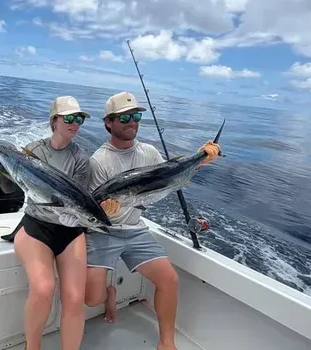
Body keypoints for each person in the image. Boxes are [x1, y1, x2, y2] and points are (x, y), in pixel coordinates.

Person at [84, 92, 221, 350]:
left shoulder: (149, 152)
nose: (132, 122)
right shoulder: (98, 161)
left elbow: (173, 175)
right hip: (104, 230)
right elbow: (93, 209)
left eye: (136, 116)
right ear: (108, 123)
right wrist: (106, 212)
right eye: (124, 117)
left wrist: (202, 157)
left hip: (135, 230)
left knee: (169, 279)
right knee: (92, 299)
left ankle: (166, 342)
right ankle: (109, 293)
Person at [0, 96, 92, 350]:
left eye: (80, 119)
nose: (76, 123)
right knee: (43, 288)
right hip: (36, 227)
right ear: (54, 121)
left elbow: (78, 201)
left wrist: (73, 216)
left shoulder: (81, 160)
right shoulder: (33, 151)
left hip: (70, 232)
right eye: (70, 118)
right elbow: (9, 187)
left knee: (75, 298)